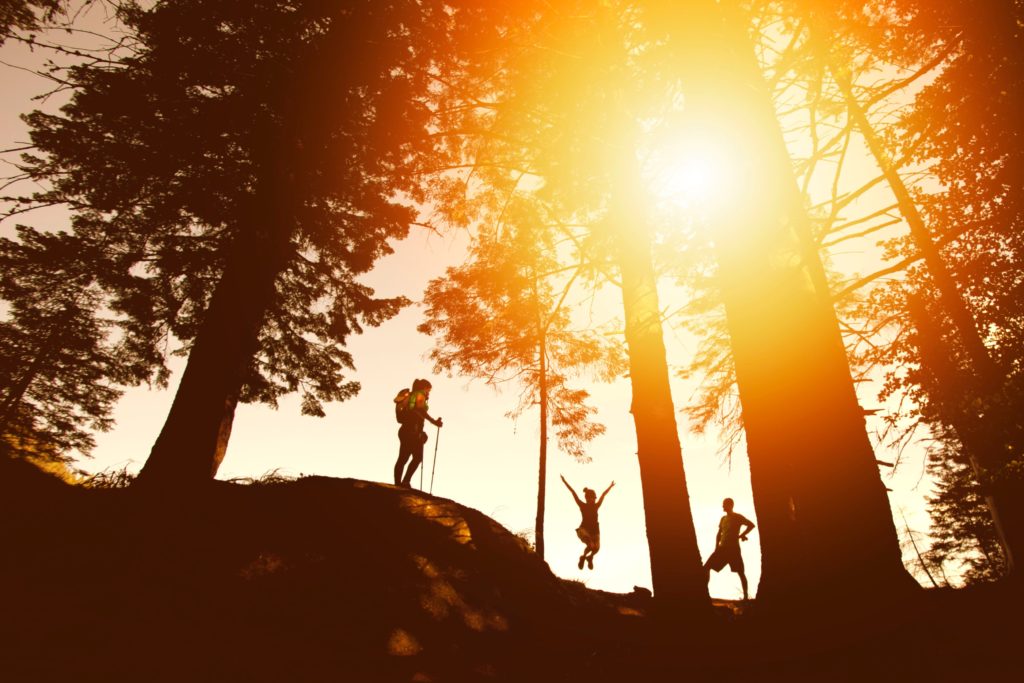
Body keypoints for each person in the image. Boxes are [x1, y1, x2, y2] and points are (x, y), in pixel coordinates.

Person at [393, 378, 443, 488]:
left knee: (405, 458)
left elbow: (417, 413)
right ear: (424, 388)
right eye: (428, 390)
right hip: (411, 431)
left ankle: (399, 483)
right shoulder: (419, 395)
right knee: (413, 457)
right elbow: (420, 410)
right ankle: (404, 482)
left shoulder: (412, 396)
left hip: (407, 430)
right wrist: (434, 422)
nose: (429, 393)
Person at [703, 497, 756, 600]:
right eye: (723, 504)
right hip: (722, 549)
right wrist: (716, 547)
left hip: (734, 550)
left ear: (730, 505)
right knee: (706, 567)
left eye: (724, 504)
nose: (723, 506)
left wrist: (741, 535)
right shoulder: (723, 519)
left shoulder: (738, 517)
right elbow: (719, 533)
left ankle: (745, 597)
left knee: (741, 572)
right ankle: (705, 592)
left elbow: (751, 525)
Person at [561, 475, 614, 570]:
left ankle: (590, 558)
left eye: (593, 498)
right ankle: (583, 557)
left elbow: (603, 495)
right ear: (587, 499)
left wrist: (610, 486)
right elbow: (573, 493)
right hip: (584, 529)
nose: (592, 500)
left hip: (595, 531)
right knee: (591, 545)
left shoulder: (596, 505)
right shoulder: (582, 505)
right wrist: (565, 482)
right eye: (590, 498)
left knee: (596, 549)